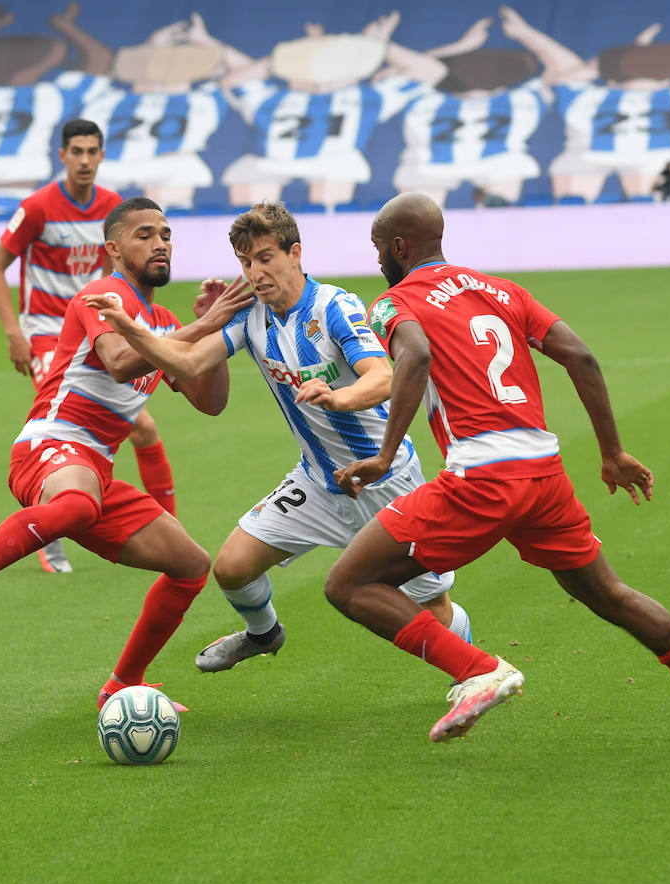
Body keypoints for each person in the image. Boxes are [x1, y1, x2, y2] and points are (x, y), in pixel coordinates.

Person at [318, 192, 670, 745]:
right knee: (610, 595)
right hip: (544, 475)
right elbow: (581, 356)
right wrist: (612, 453)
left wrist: (385, 456)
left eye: (377, 248)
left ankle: (479, 670)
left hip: (481, 478)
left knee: (348, 583)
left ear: (398, 247)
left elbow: (415, 354)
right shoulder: (502, 290)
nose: (376, 260)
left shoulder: (393, 302)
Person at [90, 202, 474, 679]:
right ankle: (263, 633)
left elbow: (383, 378)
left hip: (383, 484)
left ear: (295, 253)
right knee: (232, 567)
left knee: (433, 610)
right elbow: (188, 363)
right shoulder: (251, 316)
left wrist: (338, 397)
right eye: (246, 262)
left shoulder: (334, 306)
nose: (255, 273)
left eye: (265, 258)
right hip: (318, 483)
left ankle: (476, 671)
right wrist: (131, 328)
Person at [0, 197, 254, 711]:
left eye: (165, 234)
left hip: (93, 471)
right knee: (79, 505)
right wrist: (200, 329)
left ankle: (122, 683)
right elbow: (118, 361)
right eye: (144, 235)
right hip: (47, 446)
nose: (160, 243)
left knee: (191, 565)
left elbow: (211, 402)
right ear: (114, 250)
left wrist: (214, 332)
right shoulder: (100, 295)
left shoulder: (164, 319)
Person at [0, 119, 179, 574]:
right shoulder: (37, 207)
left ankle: (168, 525)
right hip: (48, 334)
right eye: (77, 151)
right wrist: (14, 333)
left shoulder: (115, 210)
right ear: (63, 156)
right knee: (64, 427)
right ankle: (48, 538)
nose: (85, 160)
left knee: (145, 429)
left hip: (98, 325)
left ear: (102, 156)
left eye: (93, 151)